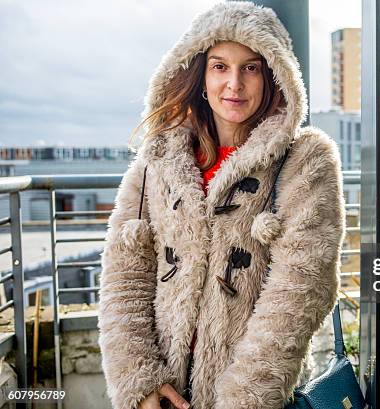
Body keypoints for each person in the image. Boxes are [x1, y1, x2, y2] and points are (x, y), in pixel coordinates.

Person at [97, 2, 345, 409]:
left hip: (249, 393)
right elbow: (124, 276)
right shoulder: (159, 159)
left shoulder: (306, 159)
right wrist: (140, 382)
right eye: (219, 66)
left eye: (250, 67)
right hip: (164, 391)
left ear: (273, 75)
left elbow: (302, 288)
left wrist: (245, 398)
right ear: (198, 73)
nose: (234, 84)